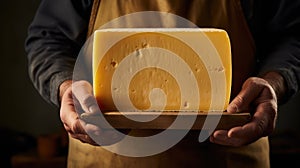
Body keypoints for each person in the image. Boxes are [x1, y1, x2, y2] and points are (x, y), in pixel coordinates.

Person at [25, 0, 300, 167]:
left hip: (228, 152)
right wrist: (65, 86)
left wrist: (273, 82)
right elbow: (48, 37)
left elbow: (293, 35)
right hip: (107, 157)